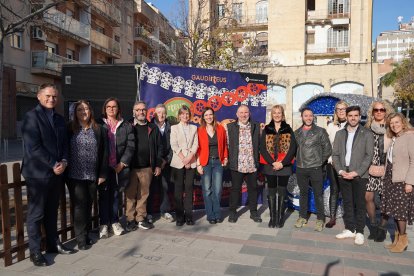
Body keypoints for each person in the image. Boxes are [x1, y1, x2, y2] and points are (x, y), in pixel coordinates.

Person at [21, 83, 74, 267]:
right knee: (36, 215)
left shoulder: (59, 119)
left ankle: (53, 244)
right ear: (39, 96)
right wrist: (53, 164)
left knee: (52, 212)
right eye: (48, 96)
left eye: (54, 96)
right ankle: (35, 252)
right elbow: (33, 147)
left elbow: (65, 144)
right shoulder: (31, 117)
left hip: (56, 174)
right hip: (38, 175)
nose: (51, 99)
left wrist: (65, 162)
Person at [67, 100, 108, 250]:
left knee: (89, 205)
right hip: (75, 175)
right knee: (79, 206)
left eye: (86, 109)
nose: (83, 112)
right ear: (75, 113)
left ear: (90, 111)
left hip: (93, 175)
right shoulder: (70, 128)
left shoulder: (98, 129)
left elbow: (105, 153)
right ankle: (81, 239)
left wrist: (102, 173)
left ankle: (86, 233)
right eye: (79, 109)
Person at [333, 106, 374, 246]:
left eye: (356, 115)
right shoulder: (340, 134)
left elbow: (369, 156)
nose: (353, 118)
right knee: (347, 202)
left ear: (359, 116)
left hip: (359, 175)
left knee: (360, 204)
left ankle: (360, 231)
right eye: (350, 115)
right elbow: (335, 155)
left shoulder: (367, 133)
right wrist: (340, 171)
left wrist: (357, 172)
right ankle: (350, 228)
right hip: (343, 174)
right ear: (346, 116)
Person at [97, 98, 134, 238]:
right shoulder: (99, 124)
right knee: (103, 196)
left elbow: (131, 146)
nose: (111, 109)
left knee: (115, 196)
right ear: (104, 109)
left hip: (118, 167)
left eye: (114, 107)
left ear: (118, 109)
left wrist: (123, 163)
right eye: (109, 106)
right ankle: (103, 224)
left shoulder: (125, 125)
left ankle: (114, 221)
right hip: (103, 167)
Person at [379, 113, 414, 253]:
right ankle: (397, 239)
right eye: (392, 123)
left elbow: (413, 161)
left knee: (400, 212)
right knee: (394, 210)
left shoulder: (409, 137)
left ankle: (403, 240)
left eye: (397, 122)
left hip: (402, 180)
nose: (394, 125)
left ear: (403, 122)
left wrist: (409, 182)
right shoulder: (394, 138)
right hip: (390, 179)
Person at [125, 101, 163, 231]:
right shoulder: (127, 125)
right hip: (131, 168)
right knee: (130, 195)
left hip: (147, 167)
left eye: (143, 110)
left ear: (146, 112)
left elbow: (160, 148)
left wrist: (158, 165)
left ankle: (140, 218)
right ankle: (130, 219)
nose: (141, 112)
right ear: (134, 112)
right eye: (138, 110)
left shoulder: (153, 128)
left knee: (143, 195)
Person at [294, 107, 331, 232]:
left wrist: (319, 162)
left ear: (313, 117)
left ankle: (320, 219)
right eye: (306, 116)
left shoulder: (320, 131)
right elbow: (294, 150)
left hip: (315, 167)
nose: (308, 118)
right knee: (303, 194)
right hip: (301, 168)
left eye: (310, 115)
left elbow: (327, 149)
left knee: (318, 194)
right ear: (302, 117)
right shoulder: (297, 132)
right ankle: (302, 216)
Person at [259, 105, 296, 228]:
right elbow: (262, 148)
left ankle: (280, 218)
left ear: (282, 114)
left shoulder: (288, 129)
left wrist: (282, 163)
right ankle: (272, 218)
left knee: (281, 191)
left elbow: (292, 148)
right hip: (270, 166)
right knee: (271, 191)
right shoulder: (267, 129)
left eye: (279, 112)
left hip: (284, 166)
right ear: (272, 114)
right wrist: (273, 162)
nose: (277, 115)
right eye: (274, 113)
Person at [227, 104, 262, 223]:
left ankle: (254, 212)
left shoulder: (256, 126)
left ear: (249, 113)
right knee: (235, 189)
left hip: (251, 163)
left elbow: (261, 144)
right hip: (237, 164)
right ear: (237, 114)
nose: (243, 115)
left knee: (253, 189)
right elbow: (226, 145)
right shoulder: (230, 127)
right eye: (241, 113)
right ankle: (232, 212)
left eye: (246, 112)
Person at [365, 100, 393, 241]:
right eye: (376, 110)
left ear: (386, 111)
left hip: (387, 169)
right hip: (370, 168)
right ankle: (373, 225)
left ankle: (382, 228)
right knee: (368, 197)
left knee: (385, 200)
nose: (379, 112)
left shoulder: (391, 128)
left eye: (382, 110)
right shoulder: (368, 128)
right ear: (372, 112)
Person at [197, 107, 228, 224]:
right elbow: (197, 149)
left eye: (210, 114)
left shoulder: (221, 129)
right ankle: (210, 215)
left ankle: (217, 213)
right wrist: (198, 164)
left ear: (213, 116)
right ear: (203, 117)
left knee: (218, 189)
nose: (208, 117)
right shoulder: (199, 130)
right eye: (206, 115)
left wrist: (225, 157)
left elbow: (225, 145)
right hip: (205, 162)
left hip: (218, 163)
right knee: (207, 190)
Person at [170, 105, 199, 226]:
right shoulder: (174, 128)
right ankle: (179, 217)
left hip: (191, 162)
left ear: (189, 115)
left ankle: (189, 216)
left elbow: (196, 145)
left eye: (187, 114)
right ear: (179, 115)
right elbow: (174, 145)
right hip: (178, 162)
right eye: (182, 114)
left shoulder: (194, 128)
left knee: (189, 189)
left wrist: (189, 158)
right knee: (178, 190)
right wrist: (184, 159)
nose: (185, 116)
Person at [325, 100, 348, 228]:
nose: (341, 111)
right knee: (334, 190)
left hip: (348, 165)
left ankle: (349, 217)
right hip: (333, 163)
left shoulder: (351, 126)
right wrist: (329, 160)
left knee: (347, 191)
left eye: (343, 109)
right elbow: (327, 146)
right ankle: (332, 217)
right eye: (338, 109)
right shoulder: (331, 126)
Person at [151, 104, 174, 222]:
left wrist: (165, 160)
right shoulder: (149, 126)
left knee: (165, 187)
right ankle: (149, 213)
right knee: (149, 188)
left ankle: (165, 211)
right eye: (159, 112)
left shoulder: (171, 127)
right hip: (152, 163)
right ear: (155, 113)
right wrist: (155, 163)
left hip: (165, 163)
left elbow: (173, 146)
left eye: (163, 112)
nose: (161, 115)